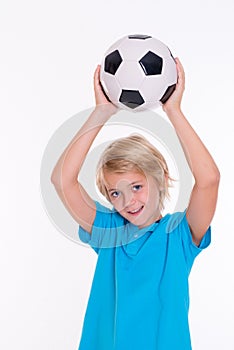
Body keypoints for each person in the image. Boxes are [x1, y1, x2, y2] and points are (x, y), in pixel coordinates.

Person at [51, 58, 220, 350]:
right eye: (115, 193)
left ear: (162, 178)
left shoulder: (178, 236)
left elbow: (209, 180)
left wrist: (174, 111)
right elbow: (62, 181)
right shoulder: (109, 231)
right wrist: (101, 112)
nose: (128, 200)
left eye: (137, 187)